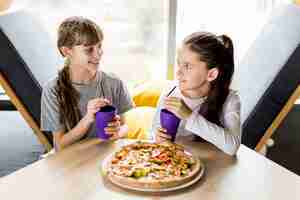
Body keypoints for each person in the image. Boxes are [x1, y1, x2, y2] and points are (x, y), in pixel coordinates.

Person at [41, 16, 133, 151]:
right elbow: (59, 145)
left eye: (99, 46)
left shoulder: (114, 83)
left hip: (106, 156)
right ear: (67, 51)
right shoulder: (53, 90)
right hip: (72, 161)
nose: (98, 54)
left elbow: (126, 126)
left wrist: (118, 132)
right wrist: (88, 118)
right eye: (89, 49)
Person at [152, 31, 241, 156]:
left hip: (215, 165)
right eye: (179, 64)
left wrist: (188, 115)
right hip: (179, 163)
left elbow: (232, 147)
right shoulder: (170, 92)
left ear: (211, 74)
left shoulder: (230, 100)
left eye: (187, 66)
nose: (178, 73)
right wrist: (157, 137)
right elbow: (154, 130)